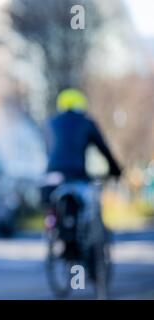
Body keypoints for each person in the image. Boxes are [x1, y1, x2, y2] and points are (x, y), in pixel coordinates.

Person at [43, 88, 122, 259]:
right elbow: (103, 149)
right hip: (77, 173)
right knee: (89, 205)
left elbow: (49, 150)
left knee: (53, 203)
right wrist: (116, 170)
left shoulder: (50, 122)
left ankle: (56, 227)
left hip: (53, 176)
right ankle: (89, 245)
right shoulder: (86, 122)